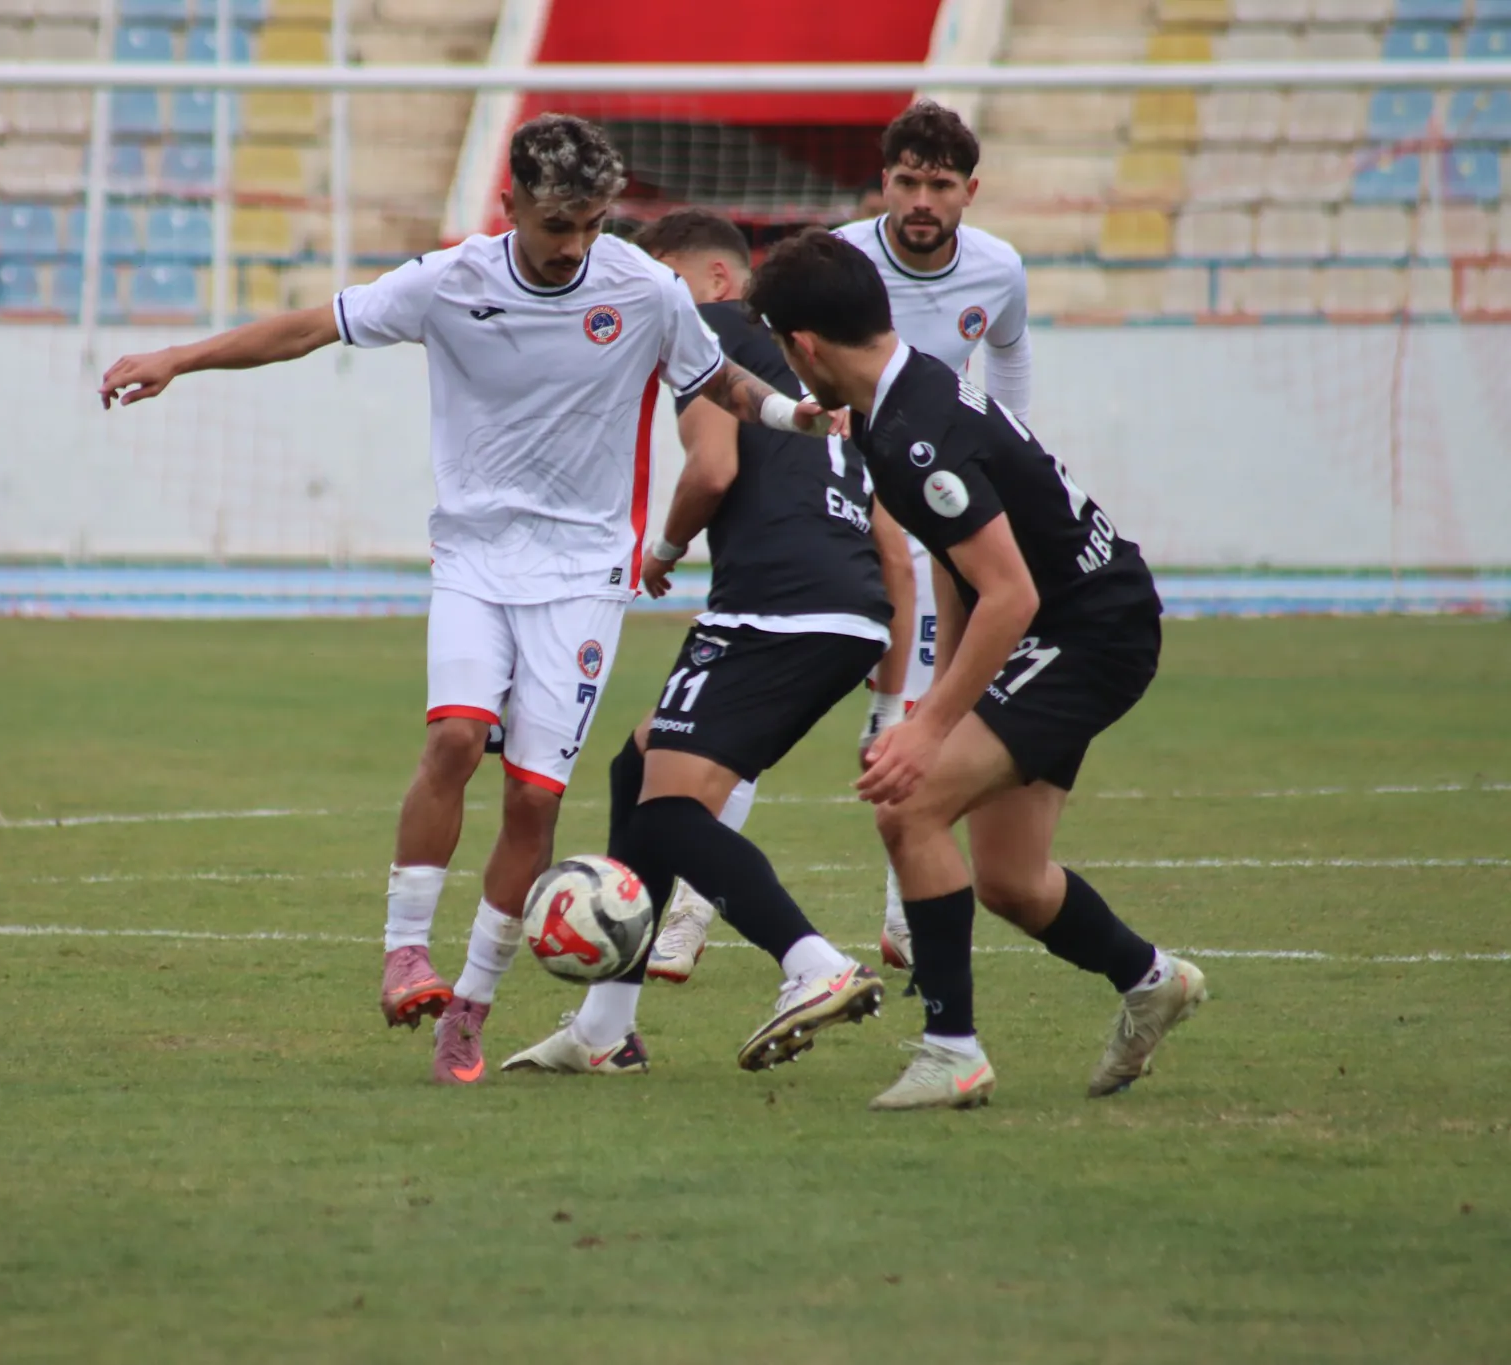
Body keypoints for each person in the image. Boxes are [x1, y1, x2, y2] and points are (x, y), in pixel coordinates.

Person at [100, 117, 830, 1085]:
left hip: (580, 575)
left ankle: (470, 1008)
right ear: (510, 206)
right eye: (556, 223)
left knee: (532, 799)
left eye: (590, 223)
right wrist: (179, 360)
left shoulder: (642, 287)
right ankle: (406, 950)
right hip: (477, 560)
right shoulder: (451, 281)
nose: (573, 243)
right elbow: (311, 326)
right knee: (453, 738)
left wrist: (794, 413)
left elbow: (716, 379)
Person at [746, 227, 1208, 1111]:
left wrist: (924, 728)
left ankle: (951, 1050)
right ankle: (1151, 980)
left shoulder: (914, 434)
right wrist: (940, 704)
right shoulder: (901, 399)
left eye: (778, 344)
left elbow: (1010, 595)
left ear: (802, 345)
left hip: (1088, 629)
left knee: (911, 805)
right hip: (1078, 617)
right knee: (1011, 881)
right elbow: (964, 569)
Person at [501, 209, 915, 1076]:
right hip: (848, 611)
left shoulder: (714, 334)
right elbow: (892, 546)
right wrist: (888, 695)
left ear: (719, 283)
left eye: (663, 276)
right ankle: (605, 1027)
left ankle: (811, 965)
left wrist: (661, 548)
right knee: (639, 769)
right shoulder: (814, 377)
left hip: (773, 606)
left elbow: (714, 467)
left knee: (668, 811)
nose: (648, 297)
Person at [644, 100, 1034, 981]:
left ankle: (902, 915)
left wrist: (1006, 445)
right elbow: (769, 351)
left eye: (941, 184)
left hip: (941, 481)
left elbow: (1008, 355)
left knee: (928, 706)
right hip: (854, 477)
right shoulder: (841, 256)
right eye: (907, 181)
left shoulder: (999, 268)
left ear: (970, 191)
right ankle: (689, 914)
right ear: (882, 181)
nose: (922, 199)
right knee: (746, 719)